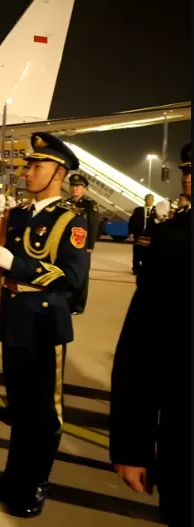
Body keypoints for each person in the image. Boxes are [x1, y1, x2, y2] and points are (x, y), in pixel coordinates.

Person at [0, 132, 90, 518]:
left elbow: (71, 276)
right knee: (20, 408)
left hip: (45, 323)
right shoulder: (19, 214)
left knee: (45, 412)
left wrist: (17, 265)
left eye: (37, 165)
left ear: (58, 172)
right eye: (28, 164)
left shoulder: (72, 220)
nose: (28, 172)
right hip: (17, 321)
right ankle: (13, 477)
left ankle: (36, 483)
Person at [110, 143, 191, 527]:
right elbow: (141, 350)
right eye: (187, 170)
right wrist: (133, 445)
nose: (187, 177)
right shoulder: (173, 241)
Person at [66, 173, 98, 314]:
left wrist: (90, 245)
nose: (75, 188)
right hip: (67, 245)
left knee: (81, 275)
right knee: (67, 273)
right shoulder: (65, 203)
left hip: (82, 246)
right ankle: (67, 302)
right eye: (72, 185)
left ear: (84, 189)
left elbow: (93, 225)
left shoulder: (90, 205)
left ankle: (78, 306)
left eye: (78, 186)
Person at [127, 193, 157, 274]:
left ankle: (147, 268)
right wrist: (131, 233)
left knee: (149, 253)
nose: (148, 201)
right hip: (139, 234)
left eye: (150, 199)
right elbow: (131, 222)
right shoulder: (138, 210)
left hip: (151, 235)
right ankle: (136, 269)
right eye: (146, 199)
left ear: (153, 201)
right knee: (137, 253)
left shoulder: (157, 211)